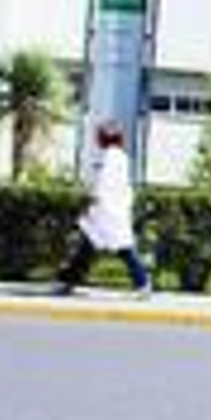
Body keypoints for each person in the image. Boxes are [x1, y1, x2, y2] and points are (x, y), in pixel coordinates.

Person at [55, 121, 151, 298]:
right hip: (111, 211)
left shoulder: (109, 157)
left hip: (107, 211)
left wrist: (91, 202)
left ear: (105, 138)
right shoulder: (120, 156)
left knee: (123, 249)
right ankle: (68, 282)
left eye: (99, 135)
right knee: (88, 248)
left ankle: (143, 284)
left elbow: (103, 185)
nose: (96, 138)